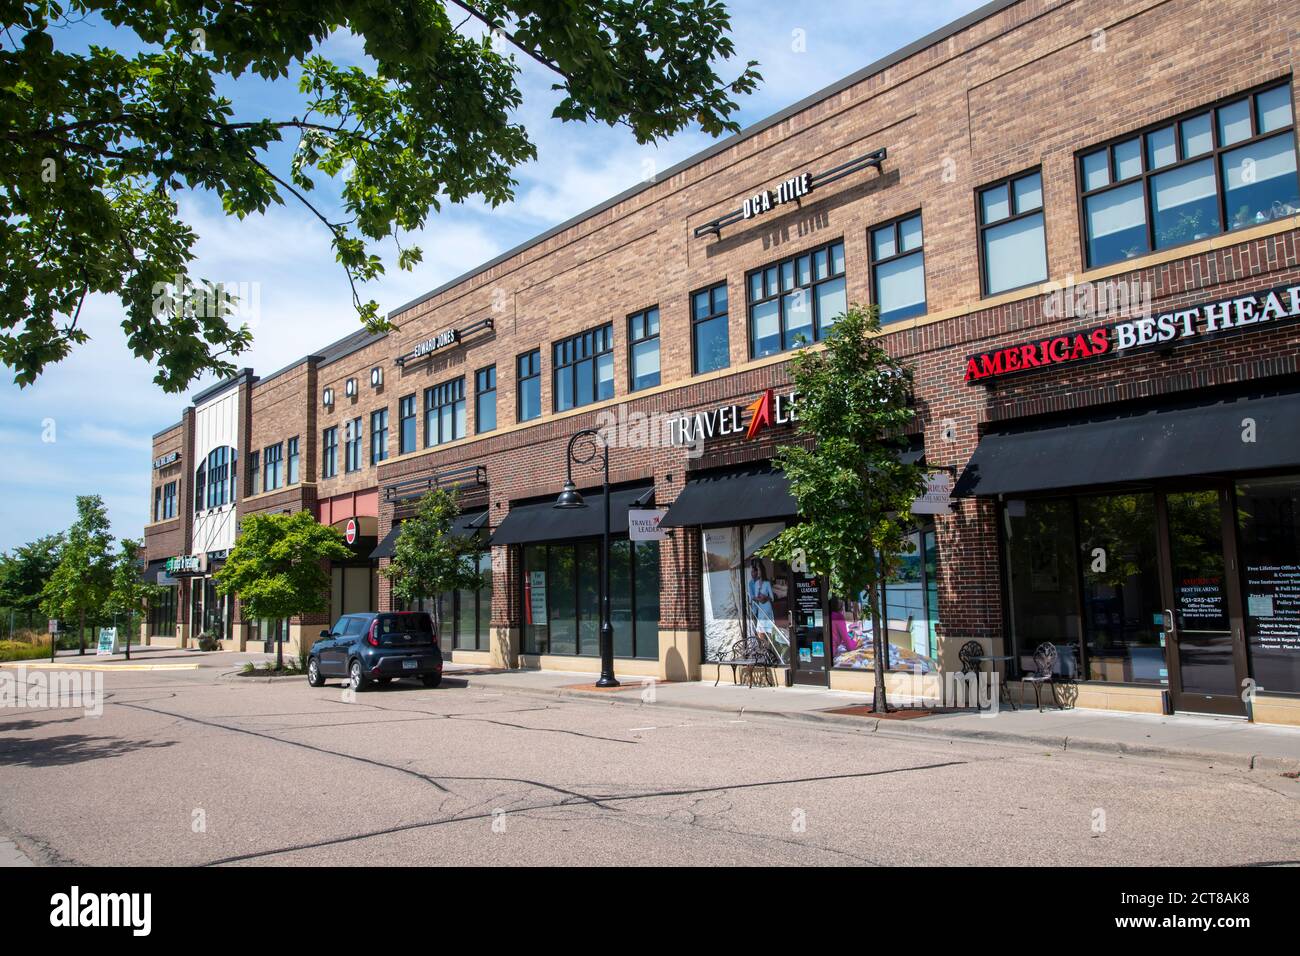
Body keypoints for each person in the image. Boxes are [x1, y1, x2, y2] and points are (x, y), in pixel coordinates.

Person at [747, 559, 775, 637]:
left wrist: (766, 597)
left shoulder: (767, 583)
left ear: (762, 571)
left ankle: (768, 645)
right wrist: (759, 598)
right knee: (760, 631)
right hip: (760, 608)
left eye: (759, 570)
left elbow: (772, 598)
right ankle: (763, 645)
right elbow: (755, 597)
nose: (757, 572)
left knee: (769, 630)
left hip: (767, 608)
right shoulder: (755, 583)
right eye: (757, 570)